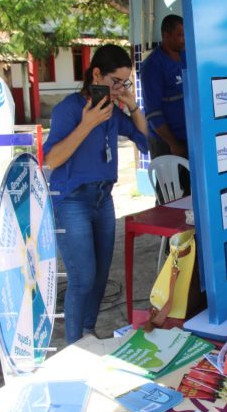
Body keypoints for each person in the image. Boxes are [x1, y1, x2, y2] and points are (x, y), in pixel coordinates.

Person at [43, 44, 148, 344]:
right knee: (83, 277)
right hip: (72, 199)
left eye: (125, 83)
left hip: (103, 198)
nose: (118, 89)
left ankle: (88, 333)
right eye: (116, 82)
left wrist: (133, 105)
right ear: (97, 74)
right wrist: (87, 124)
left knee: (101, 276)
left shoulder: (112, 112)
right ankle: (75, 347)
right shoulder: (69, 109)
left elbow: (144, 141)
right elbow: (51, 160)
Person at [141, 14, 188, 160]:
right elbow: (153, 113)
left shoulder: (187, 56)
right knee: (170, 183)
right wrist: (173, 144)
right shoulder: (152, 65)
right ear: (166, 35)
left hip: (189, 138)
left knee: (189, 183)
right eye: (180, 35)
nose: (184, 39)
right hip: (165, 142)